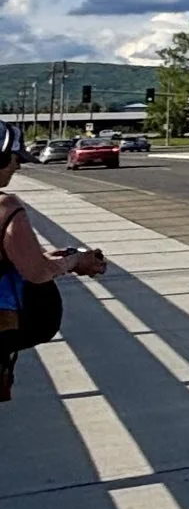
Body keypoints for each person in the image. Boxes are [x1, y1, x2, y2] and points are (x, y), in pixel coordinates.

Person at [1, 124, 108, 401]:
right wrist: (74, 261)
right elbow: (36, 274)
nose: (18, 168)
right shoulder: (5, 208)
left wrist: (46, 258)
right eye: (15, 159)